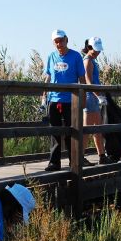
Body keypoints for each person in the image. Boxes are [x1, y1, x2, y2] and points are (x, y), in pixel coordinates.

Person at [41, 29, 86, 171]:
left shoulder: (76, 56)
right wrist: (43, 95)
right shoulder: (51, 56)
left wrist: (83, 98)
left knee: (70, 132)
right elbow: (48, 77)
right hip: (54, 99)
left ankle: (74, 161)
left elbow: (82, 79)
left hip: (70, 100)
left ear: (66, 39)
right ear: (53, 42)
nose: (59, 43)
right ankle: (54, 163)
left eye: (61, 40)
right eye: (56, 41)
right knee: (54, 132)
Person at [81, 37, 115, 165]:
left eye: (98, 50)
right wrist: (98, 96)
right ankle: (80, 157)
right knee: (86, 129)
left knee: (97, 128)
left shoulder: (93, 61)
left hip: (94, 97)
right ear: (88, 48)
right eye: (94, 50)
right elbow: (88, 81)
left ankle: (101, 155)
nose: (97, 53)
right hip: (90, 97)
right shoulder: (87, 61)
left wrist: (100, 95)